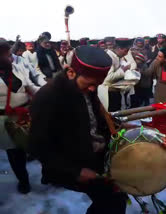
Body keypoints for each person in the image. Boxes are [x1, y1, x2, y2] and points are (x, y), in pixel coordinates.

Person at [29, 46, 127, 214]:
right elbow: (37, 145)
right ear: (71, 73)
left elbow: (96, 117)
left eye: (97, 85)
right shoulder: (49, 96)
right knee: (111, 202)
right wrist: (74, 171)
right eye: (90, 84)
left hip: (96, 156)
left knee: (115, 198)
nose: (93, 89)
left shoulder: (88, 87)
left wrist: (118, 126)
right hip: (71, 164)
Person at [0, 41, 40, 194]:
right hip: (5, 123)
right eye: (6, 55)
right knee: (15, 155)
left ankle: (48, 175)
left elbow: (30, 87)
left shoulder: (18, 68)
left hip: (27, 115)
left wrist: (47, 91)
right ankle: (24, 181)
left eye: (10, 54)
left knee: (37, 145)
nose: (11, 58)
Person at [103, 38, 134, 111]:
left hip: (116, 91)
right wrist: (123, 70)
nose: (126, 54)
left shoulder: (117, 57)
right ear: (119, 48)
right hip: (109, 93)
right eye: (125, 51)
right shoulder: (109, 57)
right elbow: (108, 78)